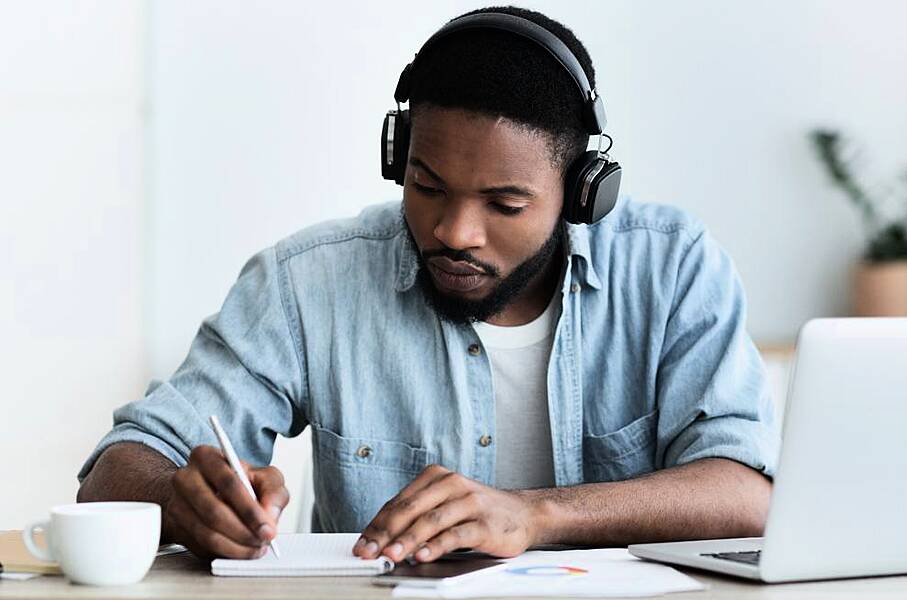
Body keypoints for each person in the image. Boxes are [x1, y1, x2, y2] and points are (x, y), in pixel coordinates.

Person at [77, 5, 778, 564]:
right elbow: (112, 472)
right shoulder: (307, 283)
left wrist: (534, 515)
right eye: (427, 185)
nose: (454, 231)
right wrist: (183, 497)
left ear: (581, 194)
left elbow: (745, 494)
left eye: (504, 204)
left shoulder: (673, 268)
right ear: (397, 158)